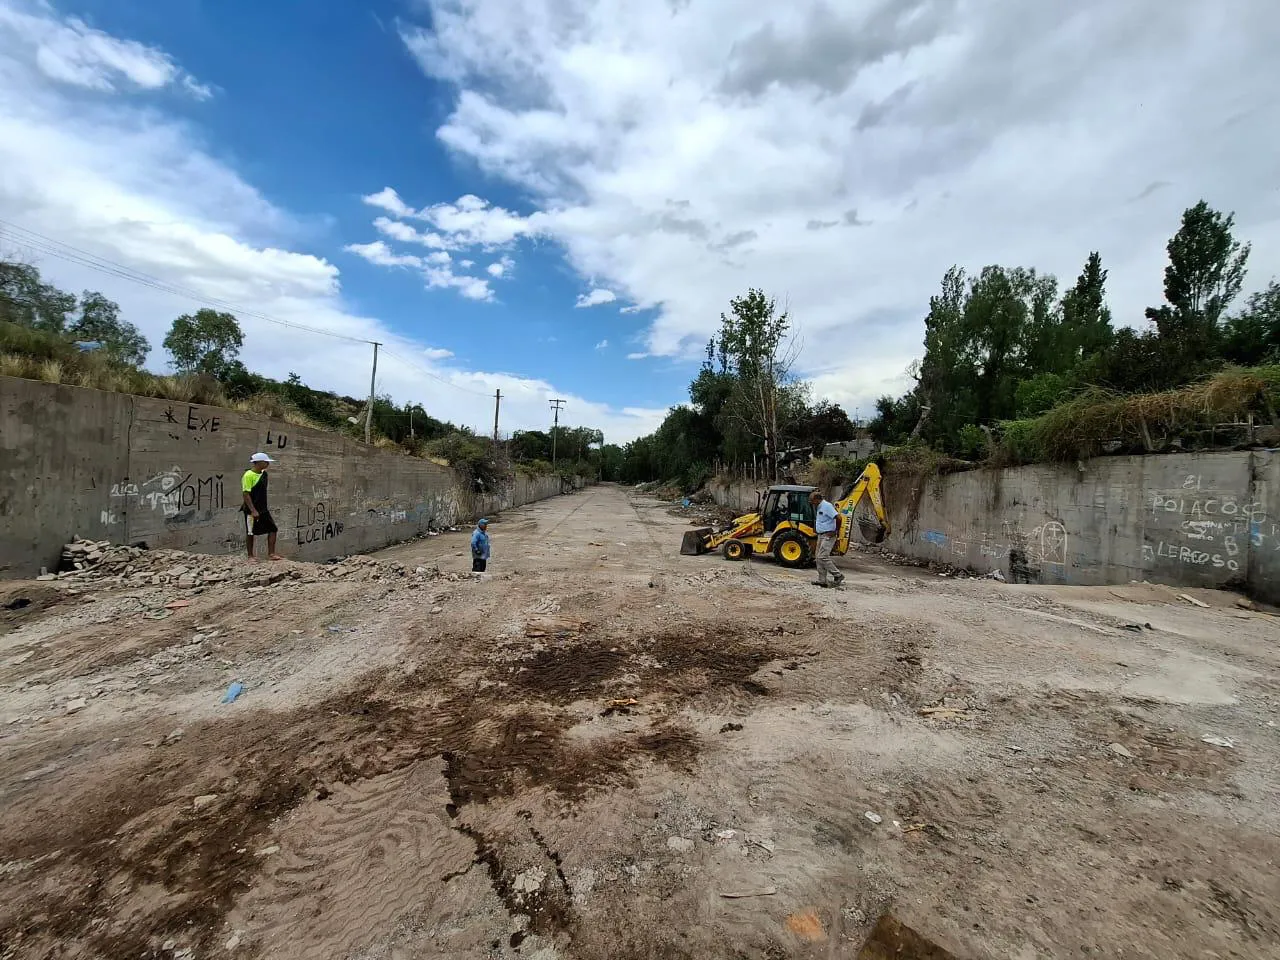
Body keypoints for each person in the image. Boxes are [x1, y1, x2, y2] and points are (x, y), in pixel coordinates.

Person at [242, 452, 282, 562]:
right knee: (250, 532)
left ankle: (271, 554)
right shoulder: (248, 475)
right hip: (251, 509)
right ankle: (250, 556)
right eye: (266, 462)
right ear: (258, 463)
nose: (267, 464)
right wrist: (253, 510)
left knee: (273, 529)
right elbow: (246, 494)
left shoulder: (264, 474)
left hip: (263, 508)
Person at [809, 490, 844, 588]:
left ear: (817, 499)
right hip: (821, 535)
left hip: (828, 535)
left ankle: (838, 575)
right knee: (817, 557)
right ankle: (822, 580)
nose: (811, 503)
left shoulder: (827, 506)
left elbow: (839, 518)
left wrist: (835, 531)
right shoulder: (819, 507)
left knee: (822, 557)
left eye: (812, 501)